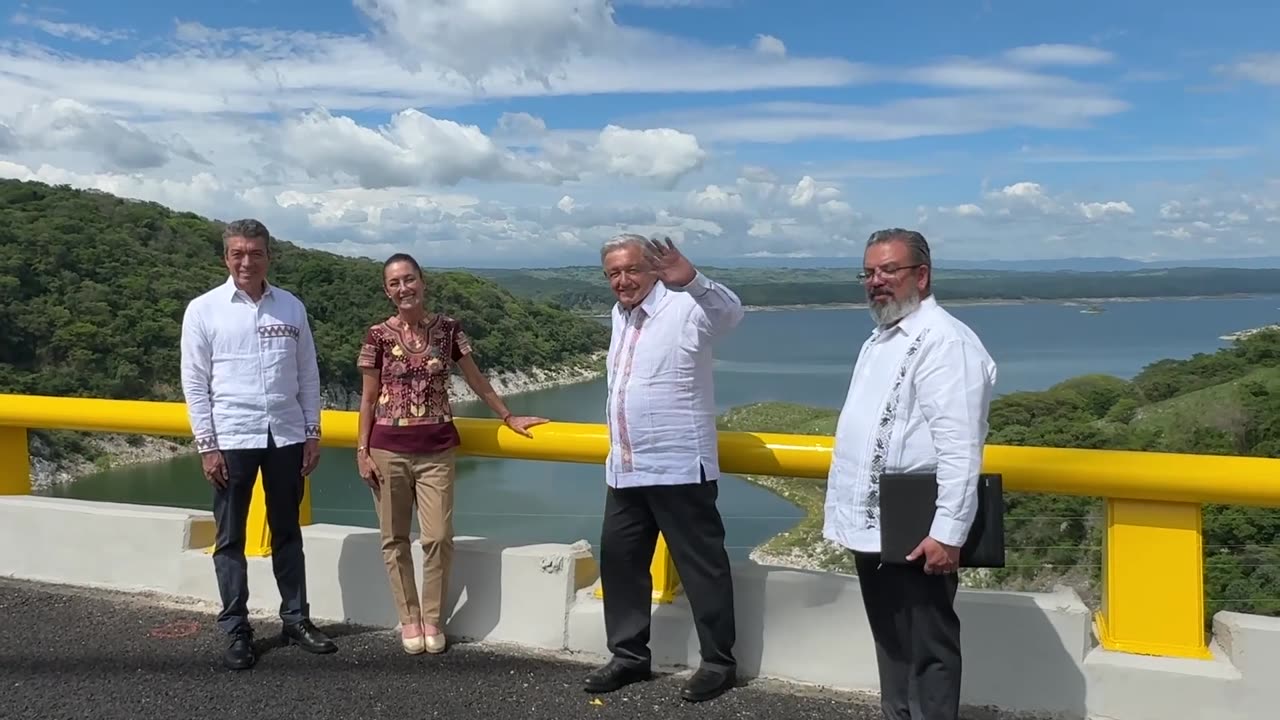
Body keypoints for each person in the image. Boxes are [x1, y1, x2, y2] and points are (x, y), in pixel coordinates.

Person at [822, 228, 997, 720]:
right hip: (878, 524)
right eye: (870, 272)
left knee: (927, 648)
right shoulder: (882, 339)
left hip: (919, 525)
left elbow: (961, 447)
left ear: (921, 275)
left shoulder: (945, 343)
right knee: (894, 642)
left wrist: (947, 531)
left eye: (889, 271)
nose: (877, 281)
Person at [354, 253, 549, 655]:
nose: (403, 288)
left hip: (437, 450)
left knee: (439, 537)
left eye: (409, 280)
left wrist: (507, 415)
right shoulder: (377, 335)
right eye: (394, 283)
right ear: (386, 291)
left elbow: (475, 377)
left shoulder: (448, 331)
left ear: (423, 282)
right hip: (386, 449)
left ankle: (432, 618)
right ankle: (408, 619)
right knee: (393, 539)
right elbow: (368, 398)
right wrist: (362, 449)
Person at [583, 233, 744, 703]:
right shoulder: (620, 314)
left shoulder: (685, 307)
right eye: (613, 273)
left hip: (678, 467)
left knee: (702, 569)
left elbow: (730, 314)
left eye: (631, 269)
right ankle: (629, 657)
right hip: (627, 469)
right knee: (621, 563)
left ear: (653, 269)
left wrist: (692, 279)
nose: (622, 281)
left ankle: (717, 662)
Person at [179, 218, 338, 671]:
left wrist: (312, 433)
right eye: (238, 253)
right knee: (229, 539)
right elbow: (195, 383)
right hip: (231, 437)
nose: (247, 261)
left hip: (286, 435)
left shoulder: (291, 307)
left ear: (269, 255)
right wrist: (207, 446)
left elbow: (308, 374)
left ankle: (296, 619)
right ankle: (236, 628)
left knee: (288, 531)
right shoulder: (204, 310)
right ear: (226, 257)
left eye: (255, 252)